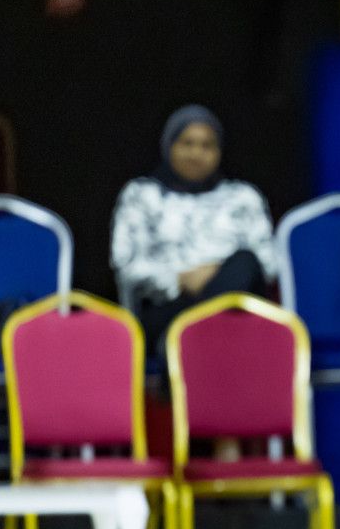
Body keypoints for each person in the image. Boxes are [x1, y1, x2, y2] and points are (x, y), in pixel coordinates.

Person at [111, 105, 276, 349]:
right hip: (167, 307)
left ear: (219, 151)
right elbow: (125, 265)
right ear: (169, 146)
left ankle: (185, 342)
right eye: (187, 143)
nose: (196, 153)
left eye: (207, 145)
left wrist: (216, 276)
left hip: (235, 309)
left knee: (245, 261)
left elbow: (269, 266)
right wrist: (180, 279)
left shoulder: (243, 197)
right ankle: (187, 341)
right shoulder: (141, 195)